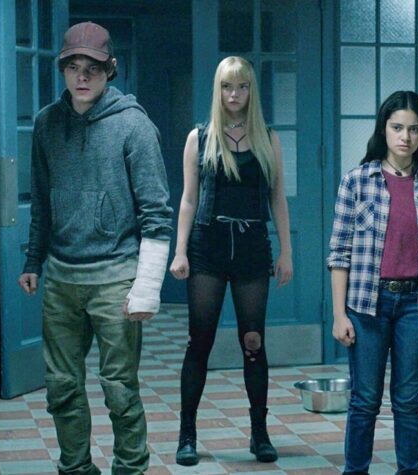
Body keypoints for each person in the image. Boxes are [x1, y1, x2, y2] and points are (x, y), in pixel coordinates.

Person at [18, 22, 173, 475]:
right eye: (73, 67)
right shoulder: (47, 123)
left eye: (93, 67)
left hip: (116, 280)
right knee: (61, 387)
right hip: (61, 279)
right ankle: (76, 468)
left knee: (119, 389)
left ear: (111, 70)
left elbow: (156, 212)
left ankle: (130, 468)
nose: (82, 76)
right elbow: (41, 199)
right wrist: (33, 259)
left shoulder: (134, 125)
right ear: (62, 70)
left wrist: (147, 286)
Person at [169, 56, 293, 466]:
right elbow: (188, 199)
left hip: (252, 247)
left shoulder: (268, 138)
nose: (234, 94)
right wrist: (180, 251)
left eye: (241, 87)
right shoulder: (200, 137)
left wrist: (287, 252)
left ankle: (259, 433)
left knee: (253, 342)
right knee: (199, 342)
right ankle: (187, 434)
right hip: (208, 245)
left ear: (251, 91)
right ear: (218, 90)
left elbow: (277, 198)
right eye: (227, 86)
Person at [328, 90, 418, 475]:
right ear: (383, 129)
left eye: (414, 129)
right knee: (365, 399)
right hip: (368, 304)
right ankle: (356, 470)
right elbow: (339, 254)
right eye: (398, 127)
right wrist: (339, 315)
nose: (406, 137)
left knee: (408, 399)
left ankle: (409, 470)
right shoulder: (357, 182)